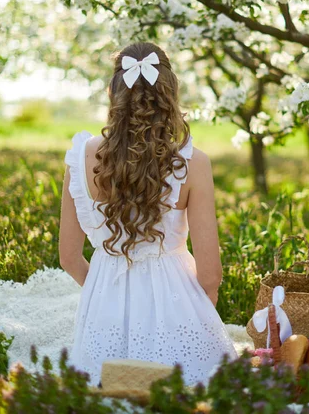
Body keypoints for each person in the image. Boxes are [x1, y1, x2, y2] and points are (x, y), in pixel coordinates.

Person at [59, 41, 238, 387]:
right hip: (177, 306)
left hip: (103, 308)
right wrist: (200, 319)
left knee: (104, 390)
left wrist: (105, 289)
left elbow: (69, 257)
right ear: (170, 94)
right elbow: (210, 274)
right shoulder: (193, 163)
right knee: (192, 388)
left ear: (114, 93)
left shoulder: (78, 159)